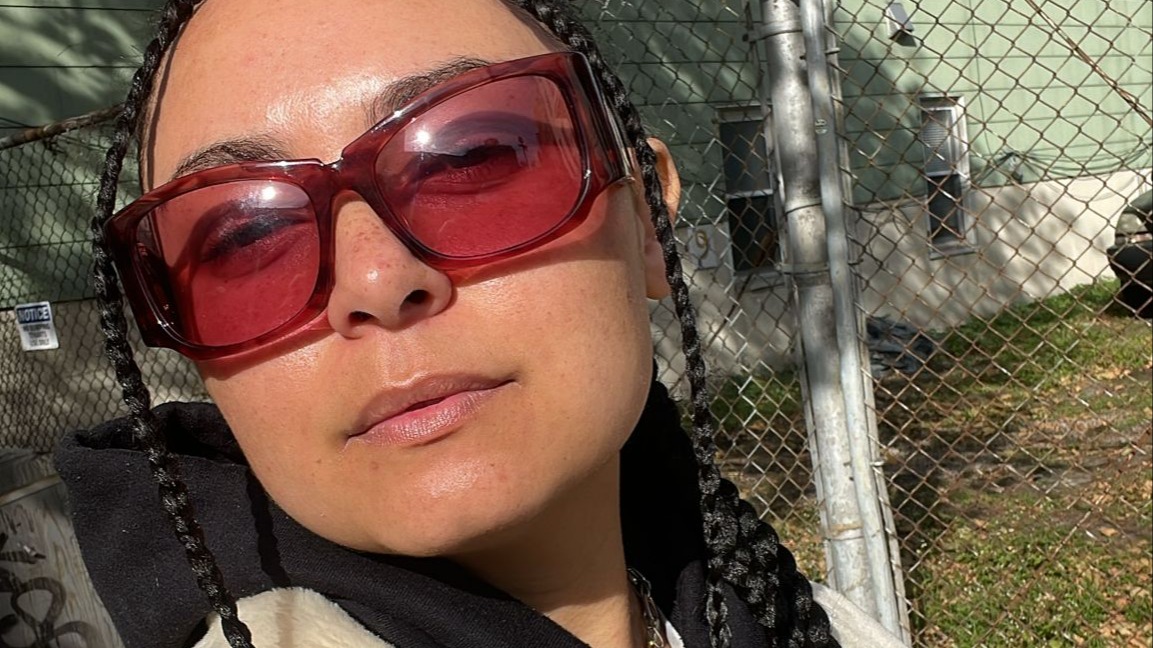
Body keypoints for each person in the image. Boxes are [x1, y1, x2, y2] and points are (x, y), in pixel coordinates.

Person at [54, 1, 909, 647]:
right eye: (243, 236)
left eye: (467, 159)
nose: (376, 280)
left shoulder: (793, 613)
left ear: (646, 217)